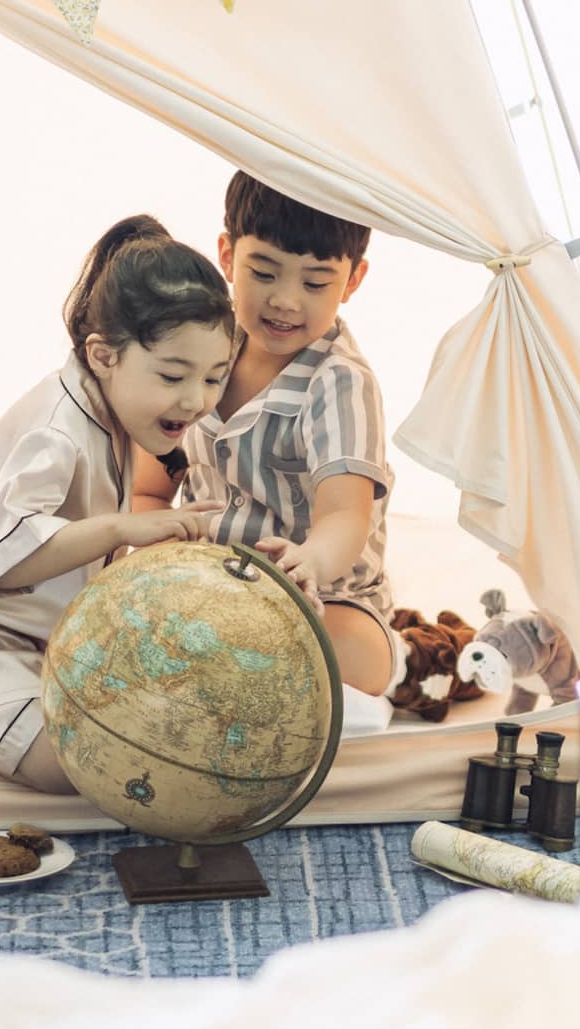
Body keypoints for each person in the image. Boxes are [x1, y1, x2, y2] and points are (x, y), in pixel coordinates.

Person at [0, 215, 236, 793]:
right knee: (80, 771)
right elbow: (6, 560)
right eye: (172, 375)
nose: (195, 400)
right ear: (104, 354)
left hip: (20, 630)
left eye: (214, 378)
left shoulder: (111, 407)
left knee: (163, 716)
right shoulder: (56, 431)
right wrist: (121, 528)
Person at [132, 171, 404, 698]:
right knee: (105, 603)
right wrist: (158, 560)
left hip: (319, 597)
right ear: (228, 256)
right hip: (207, 584)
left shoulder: (340, 382)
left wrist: (313, 561)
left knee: (347, 651)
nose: (285, 300)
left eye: (315, 282)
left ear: (353, 281)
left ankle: (394, 653)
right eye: (264, 272)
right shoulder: (200, 349)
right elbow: (149, 489)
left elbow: (346, 514)